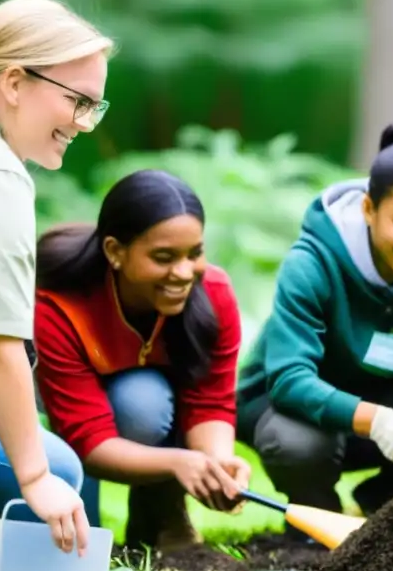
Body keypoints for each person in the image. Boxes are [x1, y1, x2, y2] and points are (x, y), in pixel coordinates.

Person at [236, 124, 393, 526]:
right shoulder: (311, 264)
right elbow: (289, 378)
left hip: (377, 403)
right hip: (286, 411)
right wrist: (378, 420)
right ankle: (316, 516)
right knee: (297, 443)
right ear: (369, 209)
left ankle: (384, 510)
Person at [0, 0, 113, 571]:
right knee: (60, 471)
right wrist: (34, 479)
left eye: (93, 106)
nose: (83, 121)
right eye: (76, 101)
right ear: (16, 82)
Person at [33, 169, 249, 551]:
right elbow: (87, 437)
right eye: (164, 257)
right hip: (44, 399)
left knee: (143, 403)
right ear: (115, 252)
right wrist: (177, 463)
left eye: (195, 254)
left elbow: (211, 401)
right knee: (81, 545)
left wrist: (217, 464)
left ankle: (161, 515)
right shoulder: (59, 303)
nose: (184, 273)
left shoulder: (213, 294)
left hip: (134, 400)